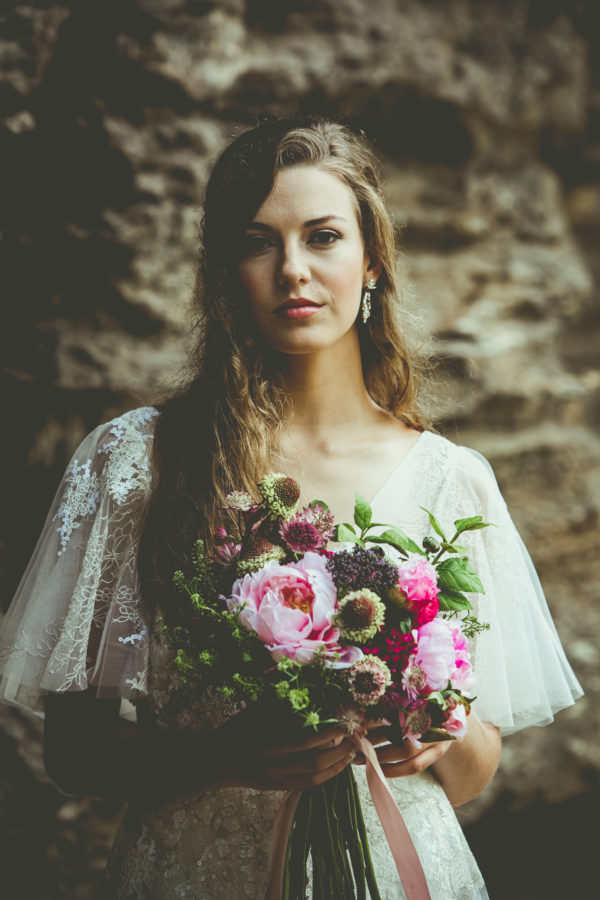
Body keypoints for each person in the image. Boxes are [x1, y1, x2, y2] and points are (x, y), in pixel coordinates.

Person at [0, 117, 582, 899]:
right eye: (257, 242)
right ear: (222, 271)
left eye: (322, 237)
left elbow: (473, 771)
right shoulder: (137, 462)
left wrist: (432, 729)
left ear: (371, 261)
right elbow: (72, 754)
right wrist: (221, 755)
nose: (293, 270)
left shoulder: (453, 481)